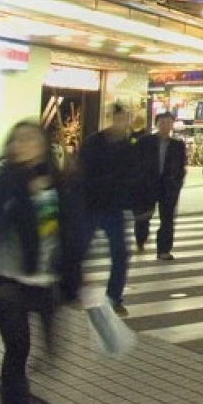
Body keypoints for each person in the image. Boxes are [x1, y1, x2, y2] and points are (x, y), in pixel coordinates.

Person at [0, 121, 85, 404]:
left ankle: (33, 376)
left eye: (30, 138)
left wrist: (76, 279)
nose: (23, 143)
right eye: (17, 139)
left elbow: (72, 235)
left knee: (52, 347)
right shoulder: (6, 182)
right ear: (10, 146)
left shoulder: (60, 184)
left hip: (45, 282)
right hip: (6, 283)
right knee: (17, 349)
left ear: (43, 144)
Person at [77, 104, 136, 317]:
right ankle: (71, 287)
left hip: (114, 208)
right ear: (111, 118)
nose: (122, 123)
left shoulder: (129, 145)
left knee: (120, 253)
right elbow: (81, 173)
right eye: (118, 118)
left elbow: (133, 176)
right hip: (91, 205)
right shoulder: (94, 142)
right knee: (80, 250)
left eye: (125, 119)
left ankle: (115, 297)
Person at [132, 112, 187, 261]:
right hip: (147, 186)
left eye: (169, 123)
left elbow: (182, 167)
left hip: (168, 188)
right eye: (162, 122)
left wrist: (177, 184)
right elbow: (134, 162)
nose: (166, 125)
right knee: (143, 217)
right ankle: (140, 239)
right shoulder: (145, 141)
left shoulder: (178, 145)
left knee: (167, 219)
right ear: (157, 124)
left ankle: (164, 250)